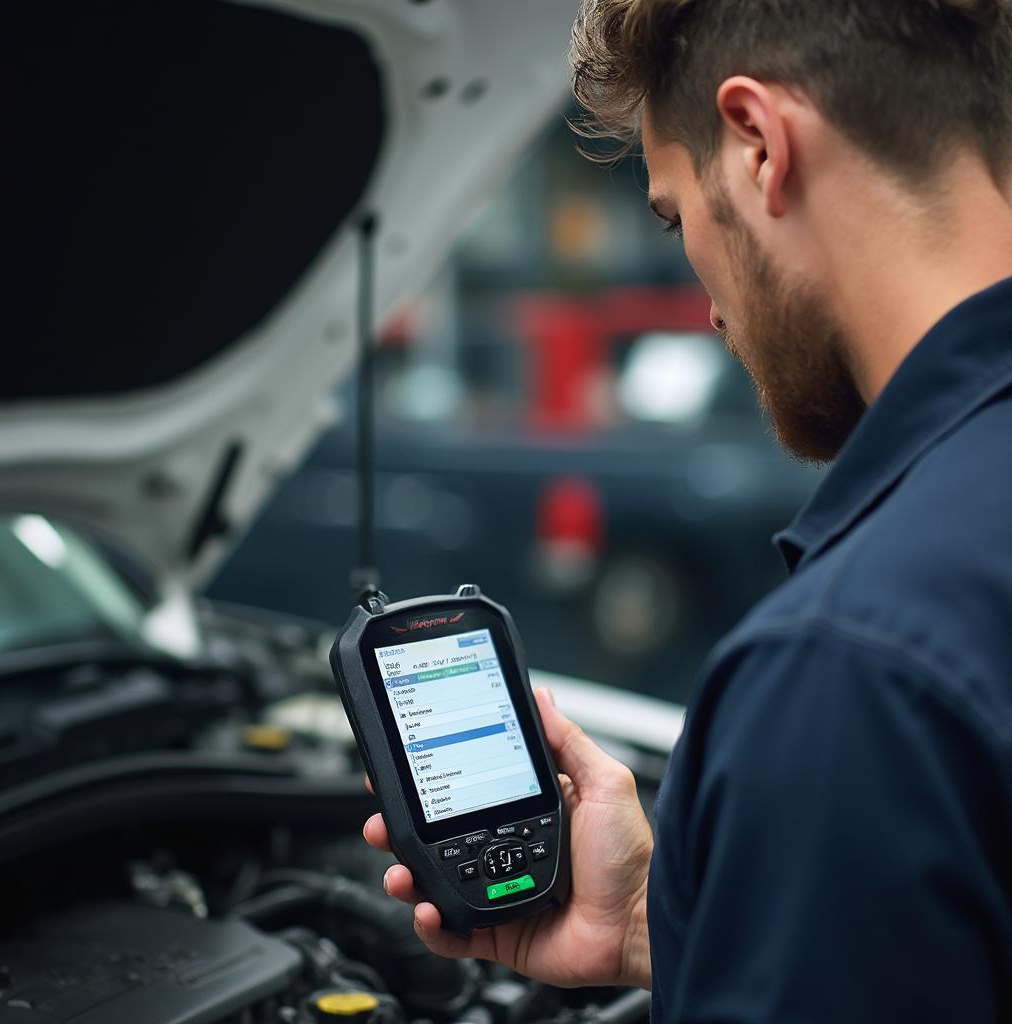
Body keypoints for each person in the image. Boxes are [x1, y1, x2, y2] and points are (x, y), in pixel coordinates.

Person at [364, 0, 1012, 1017]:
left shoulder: (848, 670)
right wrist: (658, 929)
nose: (705, 301)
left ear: (757, 145)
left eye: (673, 215)